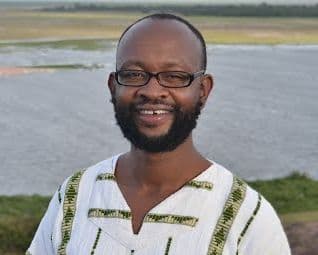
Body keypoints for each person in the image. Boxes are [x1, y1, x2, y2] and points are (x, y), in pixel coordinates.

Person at [27, 13, 291, 255]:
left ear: (203, 90)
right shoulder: (75, 195)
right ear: (112, 87)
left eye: (174, 76)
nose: (153, 91)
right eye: (133, 74)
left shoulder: (246, 218)